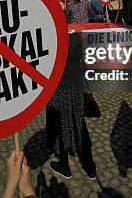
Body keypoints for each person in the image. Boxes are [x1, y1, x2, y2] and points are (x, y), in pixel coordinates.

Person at [46, 34, 97, 179]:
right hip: (76, 88)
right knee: (80, 128)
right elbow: (83, 62)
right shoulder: (77, 38)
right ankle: (90, 168)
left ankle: (64, 165)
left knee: (60, 129)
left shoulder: (52, 43)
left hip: (60, 91)